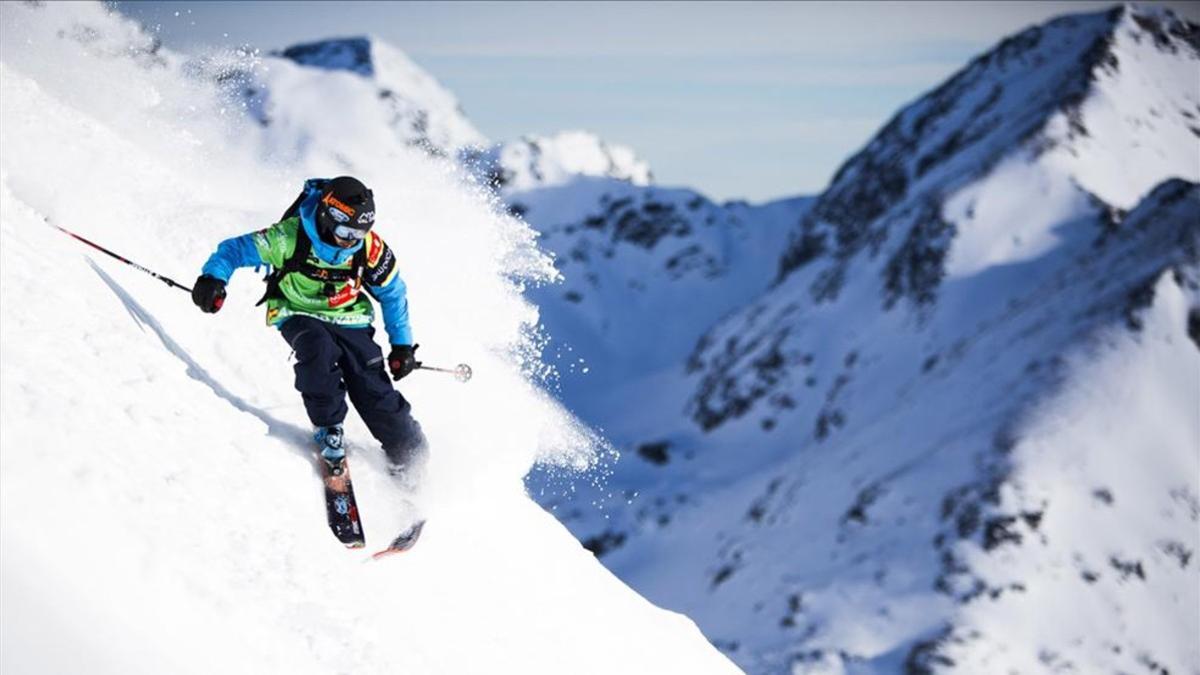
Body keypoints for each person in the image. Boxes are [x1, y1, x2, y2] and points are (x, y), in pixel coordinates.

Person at [191, 176, 428, 479]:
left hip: (350, 316)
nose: (350, 240)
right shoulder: (289, 237)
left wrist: (403, 346)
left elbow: (392, 293)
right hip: (297, 310)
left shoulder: (369, 248)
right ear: (329, 216)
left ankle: (409, 450)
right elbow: (235, 250)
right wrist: (213, 278)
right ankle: (328, 428)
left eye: (359, 233)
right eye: (345, 231)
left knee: (369, 379)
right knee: (318, 350)